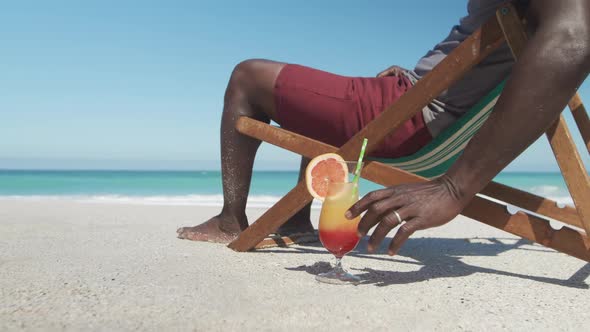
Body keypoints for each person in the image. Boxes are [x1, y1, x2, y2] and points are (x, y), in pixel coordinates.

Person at [177, 0, 590, 256]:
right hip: (419, 104)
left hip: (411, 117)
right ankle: (297, 219)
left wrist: (454, 188)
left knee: (246, 77)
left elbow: (572, 41)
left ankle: (231, 218)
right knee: (316, 100)